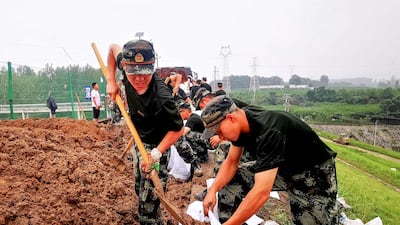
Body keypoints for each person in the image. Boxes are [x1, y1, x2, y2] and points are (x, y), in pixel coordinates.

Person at [201, 96, 339, 224]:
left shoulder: (271, 129)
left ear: (231, 118)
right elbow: (231, 162)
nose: (220, 137)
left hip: (313, 175)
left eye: (219, 132)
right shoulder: (241, 122)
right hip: (283, 167)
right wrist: (213, 190)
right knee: (230, 180)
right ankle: (228, 220)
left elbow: (261, 192)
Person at [106, 39, 183, 225]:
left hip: (157, 147)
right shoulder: (124, 64)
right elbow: (112, 47)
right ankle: (155, 217)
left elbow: (178, 129)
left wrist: (156, 154)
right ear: (124, 65)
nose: (139, 79)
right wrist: (110, 80)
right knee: (139, 188)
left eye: (145, 73)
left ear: (152, 66)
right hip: (139, 140)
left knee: (146, 210)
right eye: (133, 73)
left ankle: (151, 218)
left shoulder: (162, 96)